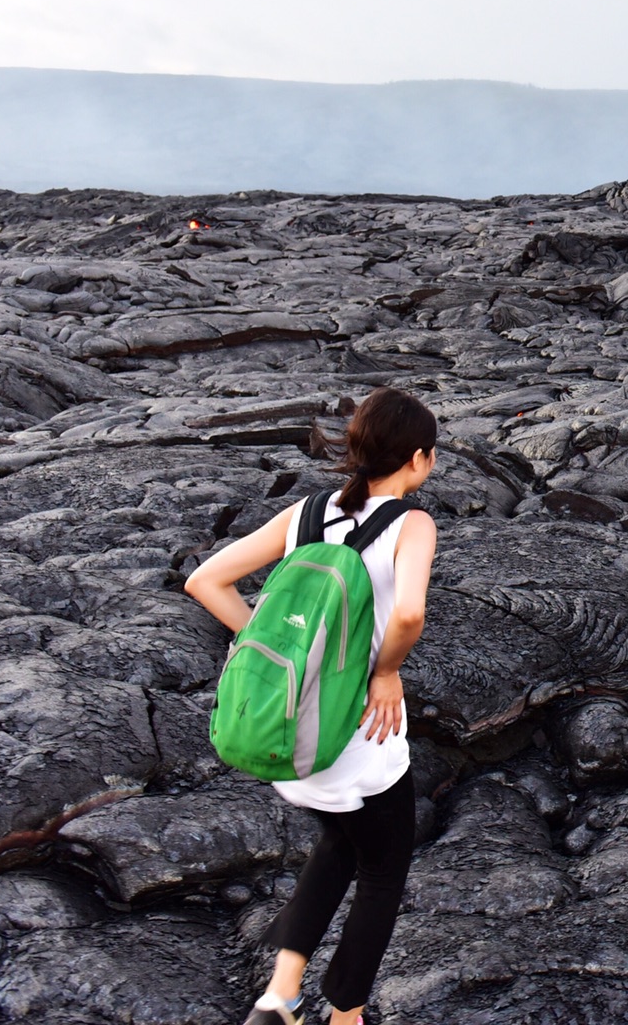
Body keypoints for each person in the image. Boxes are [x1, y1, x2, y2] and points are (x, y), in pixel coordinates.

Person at [186, 387, 439, 1025]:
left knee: (338, 843)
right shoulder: (413, 524)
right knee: (383, 871)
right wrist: (385, 672)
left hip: (289, 732)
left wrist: (266, 642)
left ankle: (280, 993)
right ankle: (346, 1014)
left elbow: (204, 580)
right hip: (357, 734)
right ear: (418, 459)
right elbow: (408, 611)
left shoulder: (305, 513)